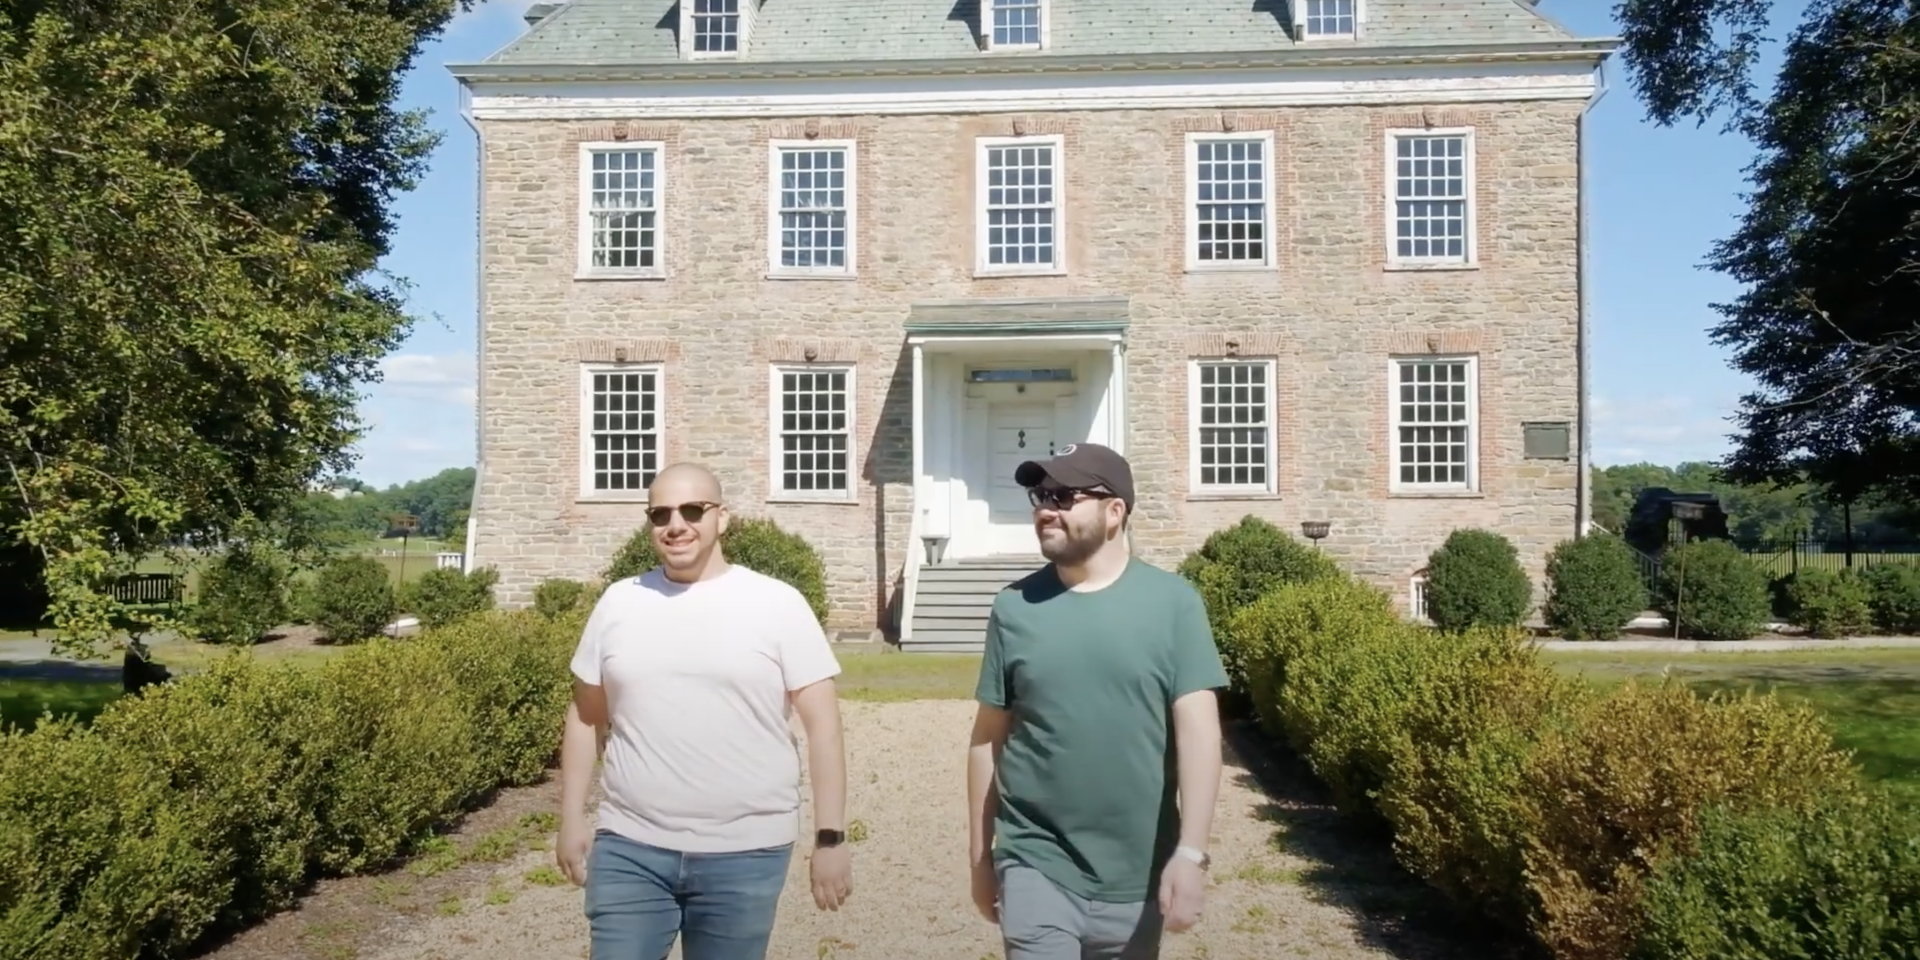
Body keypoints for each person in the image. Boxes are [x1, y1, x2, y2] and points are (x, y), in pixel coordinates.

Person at [555, 462, 853, 960]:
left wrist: (830, 839)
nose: (676, 524)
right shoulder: (618, 603)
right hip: (631, 845)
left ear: (723, 518)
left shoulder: (776, 604)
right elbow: (587, 715)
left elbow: (824, 728)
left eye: (693, 510)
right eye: (661, 514)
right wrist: (570, 818)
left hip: (746, 852)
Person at [965, 442, 1230, 960]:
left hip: (1138, 874)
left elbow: (1200, 736)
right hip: (1034, 859)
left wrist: (1190, 853)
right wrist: (981, 860)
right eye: (1040, 495)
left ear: (1115, 512)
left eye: (1064, 495)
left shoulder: (1174, 604)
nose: (1046, 508)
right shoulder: (1014, 607)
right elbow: (987, 741)